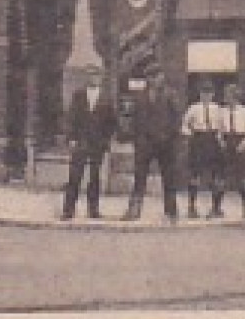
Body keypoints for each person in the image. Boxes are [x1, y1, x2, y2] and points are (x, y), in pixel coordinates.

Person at [123, 70, 184, 222]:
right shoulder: (140, 96)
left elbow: (177, 119)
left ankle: (171, 213)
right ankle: (134, 211)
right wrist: (136, 138)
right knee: (139, 178)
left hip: (165, 144)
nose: (155, 79)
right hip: (144, 143)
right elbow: (133, 119)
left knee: (168, 179)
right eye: (151, 77)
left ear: (162, 77)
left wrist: (169, 137)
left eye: (157, 76)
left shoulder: (170, 95)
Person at [61, 63, 118, 220]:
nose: (93, 78)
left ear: (101, 78)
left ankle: (93, 210)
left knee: (94, 177)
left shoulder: (106, 98)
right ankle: (68, 210)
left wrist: (106, 140)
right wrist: (71, 137)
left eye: (96, 75)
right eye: (91, 75)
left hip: (97, 143)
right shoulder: (78, 95)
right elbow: (71, 117)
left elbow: (112, 122)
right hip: (81, 141)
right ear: (86, 77)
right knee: (75, 175)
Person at [215, 83, 245, 221]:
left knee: (242, 179)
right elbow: (218, 130)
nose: (227, 99)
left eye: (230, 96)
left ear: (236, 97)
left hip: (241, 143)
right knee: (222, 177)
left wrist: (243, 144)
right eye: (226, 96)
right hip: (227, 142)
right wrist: (221, 141)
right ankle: (216, 208)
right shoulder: (221, 112)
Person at [180, 80, 225, 219]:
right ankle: (192, 207)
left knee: (215, 175)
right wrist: (190, 135)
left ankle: (216, 207)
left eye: (209, 93)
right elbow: (184, 125)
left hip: (213, 140)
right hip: (198, 140)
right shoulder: (193, 108)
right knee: (195, 174)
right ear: (200, 94)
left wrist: (220, 138)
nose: (206, 96)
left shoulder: (218, 109)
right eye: (204, 93)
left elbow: (222, 126)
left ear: (213, 94)